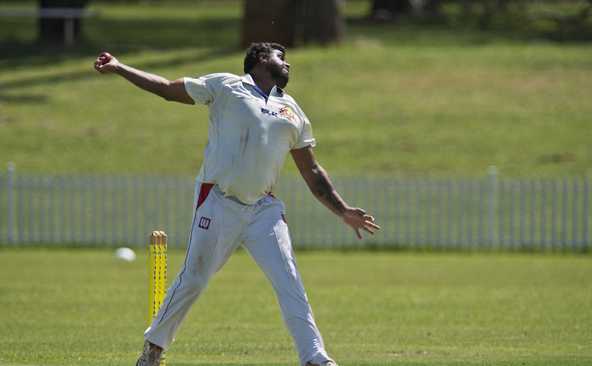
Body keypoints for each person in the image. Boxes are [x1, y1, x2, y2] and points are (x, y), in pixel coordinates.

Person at [94, 42, 380, 366]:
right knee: (195, 278)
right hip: (219, 201)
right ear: (260, 59)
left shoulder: (292, 110)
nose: (287, 64)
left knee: (290, 280)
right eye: (280, 58)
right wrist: (119, 67)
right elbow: (167, 89)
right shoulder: (227, 86)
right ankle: (153, 350)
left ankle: (314, 358)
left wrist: (342, 211)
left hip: (264, 210)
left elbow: (311, 170)